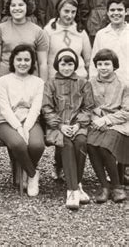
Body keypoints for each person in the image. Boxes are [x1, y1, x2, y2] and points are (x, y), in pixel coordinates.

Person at [42, 48, 93, 210]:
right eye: (63, 64)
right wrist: (61, 126)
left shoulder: (84, 83)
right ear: (57, 65)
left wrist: (78, 125)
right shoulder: (50, 83)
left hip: (78, 126)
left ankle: (77, 184)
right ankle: (72, 190)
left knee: (80, 142)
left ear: (75, 65)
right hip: (58, 126)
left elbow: (88, 107)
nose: (66, 68)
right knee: (67, 145)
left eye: (70, 64)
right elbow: (47, 108)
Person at [0, 44, 45, 197]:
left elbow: (36, 108)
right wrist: (18, 127)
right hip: (6, 122)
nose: (22, 63)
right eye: (19, 59)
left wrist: (26, 127)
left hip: (29, 121)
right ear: (13, 61)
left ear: (32, 62)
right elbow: (4, 109)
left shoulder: (38, 82)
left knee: (37, 145)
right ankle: (32, 174)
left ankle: (23, 170)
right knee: (18, 143)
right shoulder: (3, 81)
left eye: (26, 60)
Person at [0, 0, 49, 102]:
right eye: (13, 5)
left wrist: (43, 89)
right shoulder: (0, 29)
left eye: (21, 5)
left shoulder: (38, 31)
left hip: (30, 80)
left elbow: (42, 63)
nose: (17, 8)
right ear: (9, 8)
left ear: (28, 7)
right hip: (5, 79)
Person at [87, 49, 129, 204]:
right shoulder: (90, 82)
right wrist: (95, 119)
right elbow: (87, 105)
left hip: (118, 123)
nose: (103, 67)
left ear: (114, 65)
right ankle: (104, 186)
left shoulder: (124, 84)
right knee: (91, 144)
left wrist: (106, 120)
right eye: (100, 64)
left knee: (105, 146)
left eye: (107, 64)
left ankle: (117, 186)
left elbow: (127, 111)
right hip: (96, 122)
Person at [44, 0, 91, 79]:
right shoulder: (48, 31)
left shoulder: (80, 31)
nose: (70, 15)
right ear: (59, 11)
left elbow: (88, 60)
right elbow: (43, 60)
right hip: (55, 79)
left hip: (78, 78)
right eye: (66, 11)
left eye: (73, 12)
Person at [90, 0, 129, 81]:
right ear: (107, 12)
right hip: (108, 84)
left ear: (126, 12)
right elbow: (94, 62)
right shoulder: (101, 35)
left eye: (119, 10)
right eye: (112, 10)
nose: (116, 13)